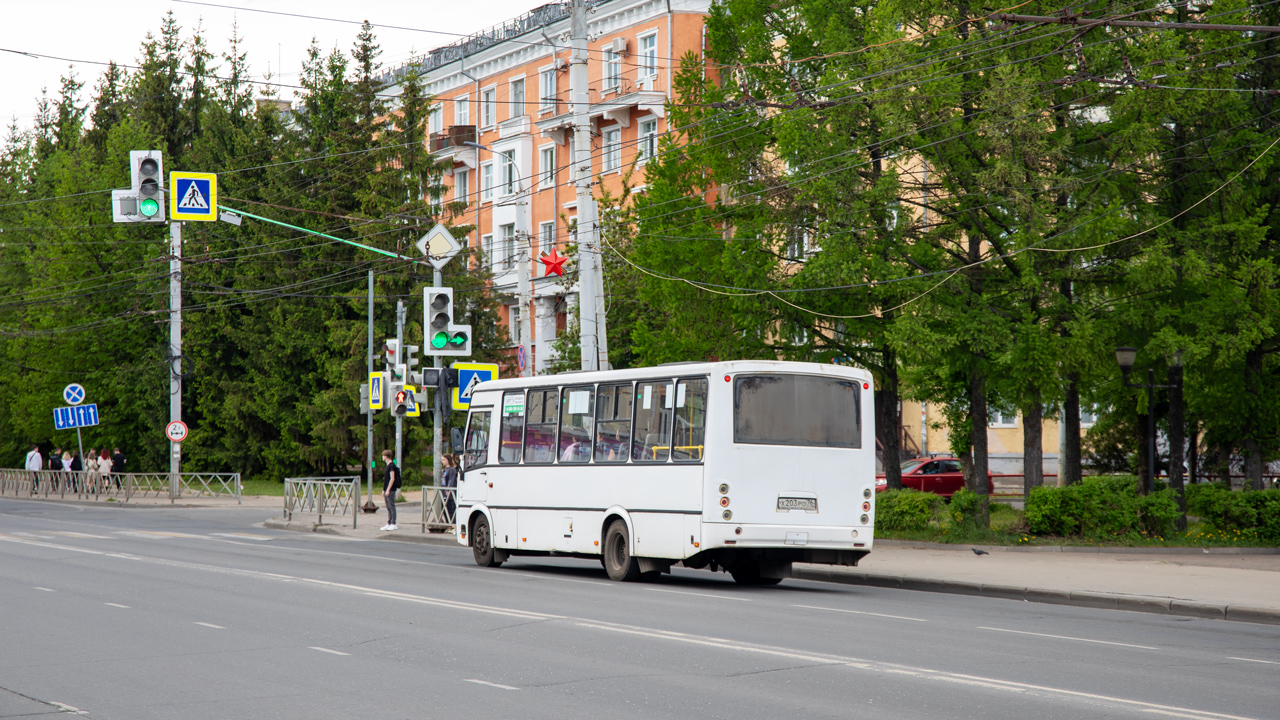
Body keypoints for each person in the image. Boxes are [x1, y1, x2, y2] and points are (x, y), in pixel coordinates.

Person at [380, 449, 401, 531]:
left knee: (391, 506)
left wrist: (388, 489)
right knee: (388, 506)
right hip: (387, 489)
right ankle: (389, 522)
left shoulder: (392, 466)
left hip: (391, 489)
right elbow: (386, 480)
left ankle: (393, 523)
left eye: (382, 456)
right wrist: (383, 490)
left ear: (385, 456)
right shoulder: (388, 466)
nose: (382, 457)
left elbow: (392, 479)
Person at [440, 454, 459, 524]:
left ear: (448, 460)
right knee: (444, 509)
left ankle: (453, 524)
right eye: (442, 460)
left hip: (449, 493)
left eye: (444, 460)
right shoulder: (444, 470)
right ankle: (448, 523)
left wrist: (448, 489)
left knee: (450, 509)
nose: (443, 462)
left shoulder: (451, 470)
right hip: (443, 492)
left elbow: (451, 480)